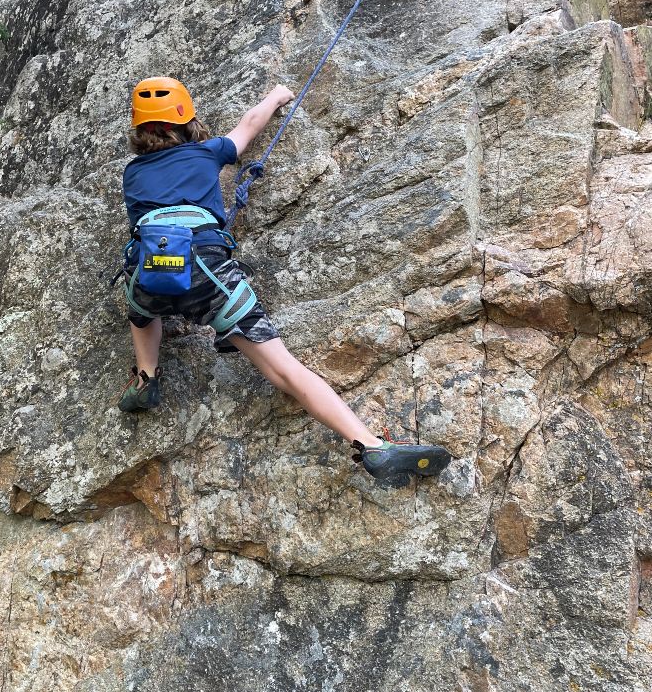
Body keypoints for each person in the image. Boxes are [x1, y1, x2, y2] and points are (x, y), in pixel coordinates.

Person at [118, 76, 452, 487]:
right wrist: (276, 95)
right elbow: (248, 127)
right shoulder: (206, 152)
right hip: (207, 272)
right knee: (283, 370)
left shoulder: (132, 175)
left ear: (140, 129)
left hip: (149, 271)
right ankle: (369, 445)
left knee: (141, 311)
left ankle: (146, 376)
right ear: (186, 119)